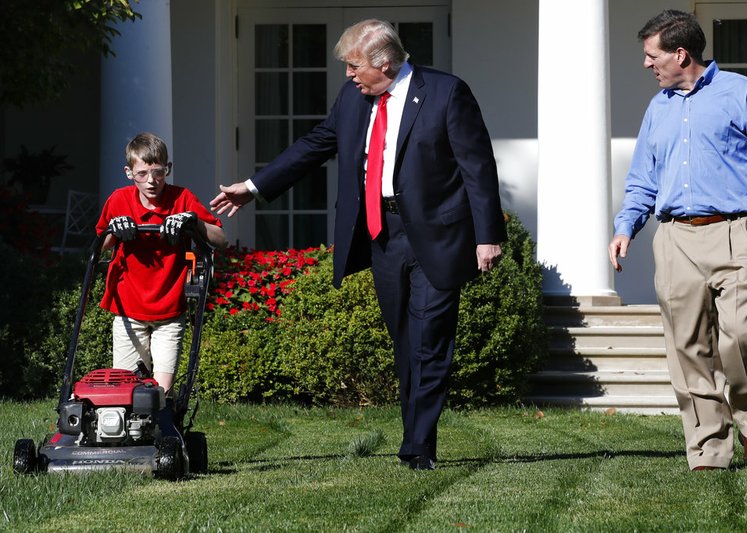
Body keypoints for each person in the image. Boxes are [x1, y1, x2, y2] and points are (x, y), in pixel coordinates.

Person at [210, 19, 506, 470]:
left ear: (383, 63)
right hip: (380, 234)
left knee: (429, 340)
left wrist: (487, 236)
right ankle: (415, 435)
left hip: (437, 235)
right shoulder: (353, 98)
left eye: (354, 66)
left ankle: (419, 446)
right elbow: (316, 144)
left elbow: (477, 165)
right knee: (405, 342)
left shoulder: (446, 93)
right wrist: (254, 186)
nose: (348, 75)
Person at [608, 10, 747, 471]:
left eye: (652, 56)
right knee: (688, 347)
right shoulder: (659, 108)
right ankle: (710, 448)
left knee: (740, 339)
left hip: (735, 233)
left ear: (680, 53)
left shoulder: (743, 94)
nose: (646, 65)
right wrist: (625, 225)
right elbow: (642, 179)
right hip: (675, 238)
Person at [97, 132, 228, 395]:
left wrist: (193, 222)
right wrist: (114, 230)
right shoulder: (119, 200)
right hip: (127, 308)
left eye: (158, 172)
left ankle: (162, 433)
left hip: (169, 310)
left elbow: (221, 239)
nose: (151, 181)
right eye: (142, 173)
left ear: (167, 169)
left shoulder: (182, 199)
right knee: (125, 390)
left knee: (161, 393)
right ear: (129, 172)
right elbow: (99, 246)